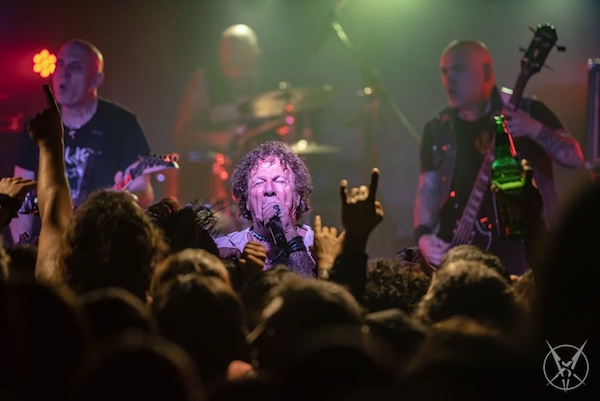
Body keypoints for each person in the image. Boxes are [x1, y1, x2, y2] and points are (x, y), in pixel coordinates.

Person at [413, 39, 584, 275]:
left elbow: (575, 157)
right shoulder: (437, 128)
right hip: (459, 254)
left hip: (523, 253)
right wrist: (423, 236)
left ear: (485, 72)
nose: (449, 80)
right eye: (444, 71)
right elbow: (427, 190)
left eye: (458, 69)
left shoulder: (527, 110)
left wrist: (535, 129)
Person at [9, 39, 154, 245]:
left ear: (96, 80)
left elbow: (143, 191)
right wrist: (22, 250)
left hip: (101, 246)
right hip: (47, 246)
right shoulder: (38, 126)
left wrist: (121, 199)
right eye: (60, 65)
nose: (64, 73)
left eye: (75, 67)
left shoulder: (123, 124)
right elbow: (21, 196)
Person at [166, 24, 267, 209]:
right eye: (233, 61)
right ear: (222, 54)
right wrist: (219, 139)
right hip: (211, 184)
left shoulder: (265, 84)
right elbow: (181, 135)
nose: (238, 70)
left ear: (256, 54)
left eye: (243, 61)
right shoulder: (205, 82)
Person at [214, 140, 316, 278]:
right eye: (259, 182)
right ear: (247, 201)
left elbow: (308, 290)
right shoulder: (225, 249)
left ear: (297, 196)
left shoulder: (317, 247)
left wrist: (289, 233)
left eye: (279, 181)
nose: (269, 189)